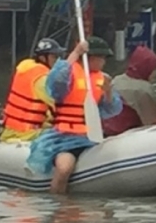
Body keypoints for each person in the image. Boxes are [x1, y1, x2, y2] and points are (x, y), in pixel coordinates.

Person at [26, 36, 123, 194]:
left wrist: (108, 92)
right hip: (64, 138)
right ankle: (59, 206)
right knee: (64, 169)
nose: (104, 62)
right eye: (101, 58)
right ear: (89, 58)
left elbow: (112, 109)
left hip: (91, 138)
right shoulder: (68, 75)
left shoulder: (103, 79)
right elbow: (55, 83)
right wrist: (76, 53)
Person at [0, 38, 64, 143]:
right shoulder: (43, 78)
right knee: (68, 136)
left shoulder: (27, 68)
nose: (58, 61)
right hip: (27, 133)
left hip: (11, 130)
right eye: (54, 57)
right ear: (43, 58)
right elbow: (60, 104)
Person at [102, 45, 156, 137]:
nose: (155, 73)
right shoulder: (144, 89)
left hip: (105, 132)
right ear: (147, 68)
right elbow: (154, 124)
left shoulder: (117, 80)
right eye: (154, 69)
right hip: (126, 134)